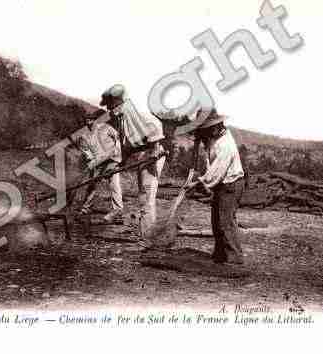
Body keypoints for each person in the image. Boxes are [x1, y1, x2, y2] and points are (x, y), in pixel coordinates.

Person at [177, 108, 246, 264]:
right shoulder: (213, 138)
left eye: (207, 128)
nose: (205, 132)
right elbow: (209, 162)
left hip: (231, 184)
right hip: (222, 184)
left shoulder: (225, 144)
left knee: (225, 220)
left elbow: (217, 172)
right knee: (216, 220)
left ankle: (235, 256)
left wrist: (199, 183)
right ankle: (221, 254)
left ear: (216, 126)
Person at [99, 84, 166, 239]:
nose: (109, 110)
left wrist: (154, 150)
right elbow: (128, 145)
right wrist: (120, 163)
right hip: (141, 154)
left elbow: (156, 127)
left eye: (110, 106)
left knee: (146, 197)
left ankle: (148, 238)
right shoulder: (122, 117)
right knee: (143, 196)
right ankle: (147, 235)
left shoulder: (137, 112)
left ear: (118, 102)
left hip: (151, 153)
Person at [76, 109, 124, 222]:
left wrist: (116, 155)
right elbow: (86, 151)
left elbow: (117, 139)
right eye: (87, 120)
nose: (89, 122)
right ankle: (86, 208)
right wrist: (93, 162)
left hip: (112, 160)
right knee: (92, 185)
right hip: (98, 162)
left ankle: (118, 210)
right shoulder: (83, 136)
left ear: (95, 119)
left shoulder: (106, 128)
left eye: (91, 119)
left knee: (114, 185)